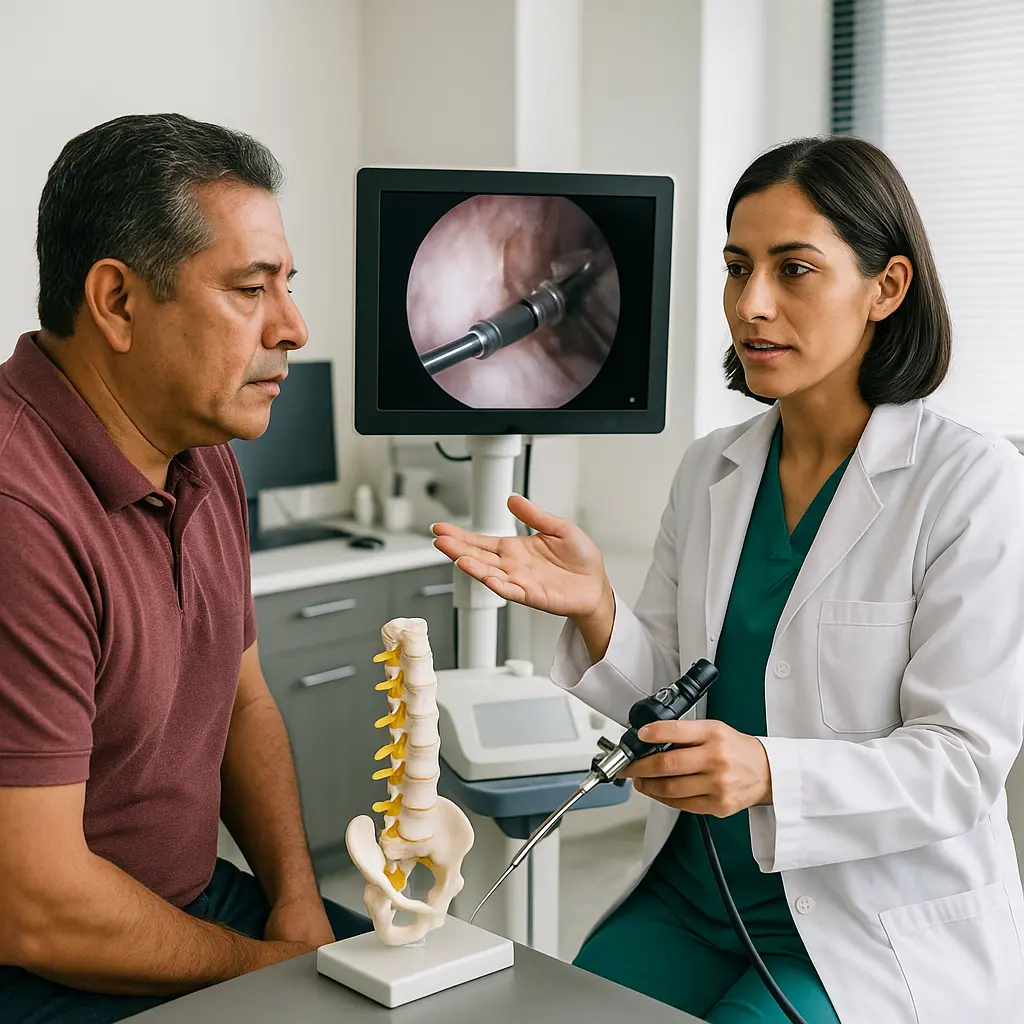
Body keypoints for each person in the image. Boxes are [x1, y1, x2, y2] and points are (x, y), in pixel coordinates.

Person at [432, 136, 1024, 1022]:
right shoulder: (715, 468)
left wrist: (769, 772)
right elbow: (673, 687)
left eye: (795, 270)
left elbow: (960, 766)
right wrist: (597, 608)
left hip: (864, 922)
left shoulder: (970, 484)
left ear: (886, 289)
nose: (752, 305)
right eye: (737, 267)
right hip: (694, 892)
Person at [0, 113, 369, 1024]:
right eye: (252, 289)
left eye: (287, 286)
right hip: (44, 964)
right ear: (119, 303)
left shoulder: (199, 450)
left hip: (191, 907)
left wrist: (296, 902)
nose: (293, 327)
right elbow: (39, 913)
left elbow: (239, 701)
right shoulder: (18, 511)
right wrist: (270, 970)